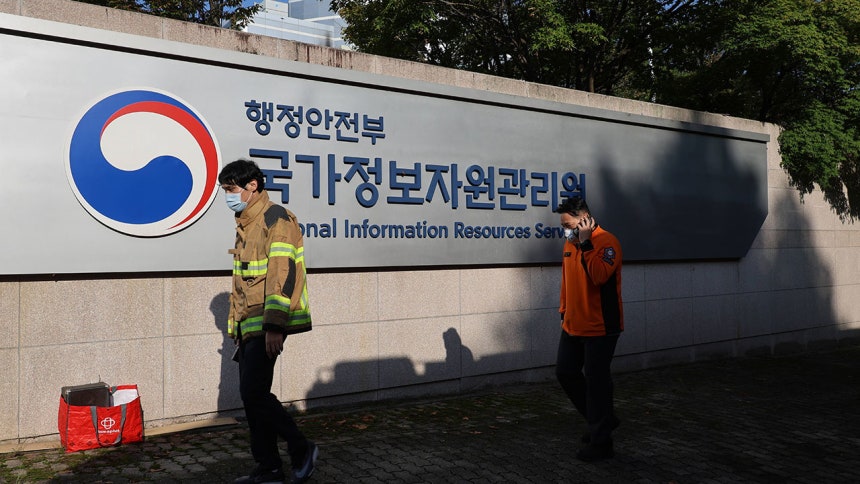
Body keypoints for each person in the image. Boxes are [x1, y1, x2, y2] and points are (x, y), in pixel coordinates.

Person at [219, 159, 318, 484]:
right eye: (225, 190)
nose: (228, 195)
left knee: (254, 393)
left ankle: (301, 448)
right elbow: (244, 284)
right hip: (250, 325)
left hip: (267, 323)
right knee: (252, 398)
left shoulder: (276, 218)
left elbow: (281, 273)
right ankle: (269, 468)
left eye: (231, 188)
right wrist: (236, 327)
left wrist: (275, 325)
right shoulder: (247, 223)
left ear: (253, 185)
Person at [555, 196, 623, 462]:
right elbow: (566, 281)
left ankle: (602, 443)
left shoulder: (607, 242)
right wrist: (563, 310)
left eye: (569, 225)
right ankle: (602, 419)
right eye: (563, 226)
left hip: (600, 327)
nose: (565, 231)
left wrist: (586, 243)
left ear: (584, 220)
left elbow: (598, 276)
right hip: (573, 325)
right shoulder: (569, 244)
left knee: (597, 384)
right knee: (565, 372)